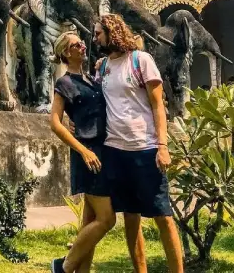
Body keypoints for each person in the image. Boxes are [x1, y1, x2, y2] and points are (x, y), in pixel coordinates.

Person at [94, 14, 183, 273]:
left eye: (99, 33)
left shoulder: (141, 61)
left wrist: (162, 146)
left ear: (112, 32)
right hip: (115, 151)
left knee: (163, 217)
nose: (95, 38)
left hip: (145, 150)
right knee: (130, 218)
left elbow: (158, 105)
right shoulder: (102, 67)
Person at [50, 32, 116, 273]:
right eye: (76, 44)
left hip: (103, 150)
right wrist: (82, 151)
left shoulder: (92, 79)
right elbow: (55, 122)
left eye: (81, 42)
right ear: (67, 53)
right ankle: (64, 267)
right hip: (87, 154)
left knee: (90, 221)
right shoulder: (64, 83)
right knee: (107, 219)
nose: (82, 46)